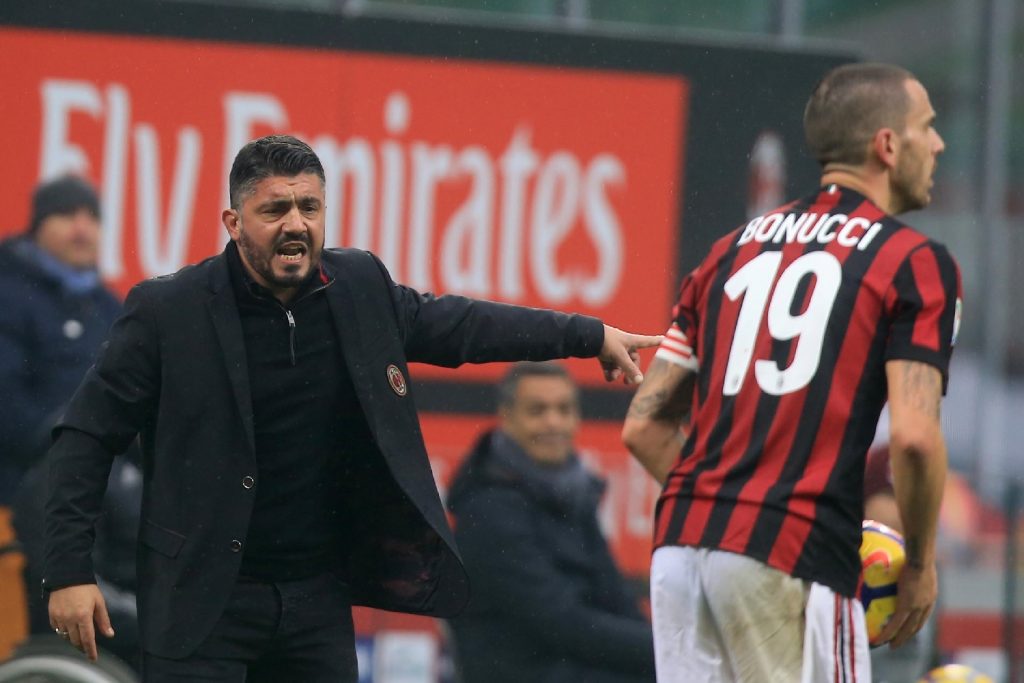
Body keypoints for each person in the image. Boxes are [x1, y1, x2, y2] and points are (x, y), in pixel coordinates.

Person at [42, 134, 661, 682]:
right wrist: (68, 570)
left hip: (315, 599)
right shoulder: (167, 311)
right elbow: (85, 436)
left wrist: (587, 335)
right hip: (202, 601)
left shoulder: (359, 287)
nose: (295, 224)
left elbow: (464, 326)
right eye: (274, 209)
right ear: (233, 222)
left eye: (309, 207)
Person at [622, 62, 959, 683]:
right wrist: (919, 565)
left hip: (681, 553)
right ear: (888, 145)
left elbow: (642, 428)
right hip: (792, 555)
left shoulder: (727, 251)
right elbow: (914, 438)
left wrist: (731, 515)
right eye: (927, 126)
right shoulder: (912, 261)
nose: (937, 144)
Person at [447, 362, 656, 683]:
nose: (553, 422)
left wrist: (670, 655)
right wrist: (666, 651)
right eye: (537, 410)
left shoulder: (575, 494)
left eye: (564, 409)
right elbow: (559, 623)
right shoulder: (487, 509)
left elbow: (616, 597)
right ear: (506, 416)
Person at [0, 175, 121, 659]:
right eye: (68, 215)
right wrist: (74, 436)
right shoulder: (9, 295)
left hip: (103, 495)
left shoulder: (109, 307)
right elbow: (8, 408)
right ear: (39, 226)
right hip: (23, 491)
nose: (82, 228)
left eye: (92, 217)